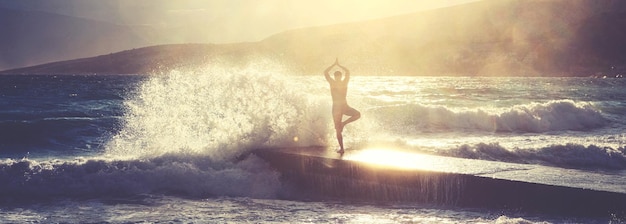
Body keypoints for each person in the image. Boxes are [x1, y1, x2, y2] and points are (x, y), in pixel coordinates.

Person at [324, 58, 361, 154]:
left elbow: (326, 72)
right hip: (340, 107)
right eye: (337, 77)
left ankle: (343, 125)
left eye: (338, 77)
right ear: (338, 76)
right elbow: (347, 72)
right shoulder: (342, 82)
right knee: (338, 129)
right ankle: (342, 148)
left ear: (339, 76)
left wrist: (335, 65)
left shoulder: (334, 82)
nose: (337, 78)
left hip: (341, 107)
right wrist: (338, 65)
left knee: (357, 115)